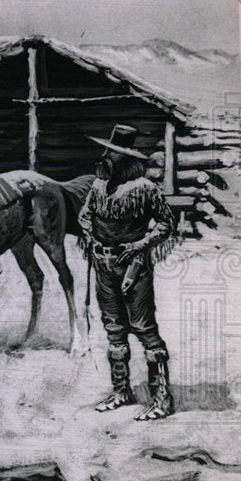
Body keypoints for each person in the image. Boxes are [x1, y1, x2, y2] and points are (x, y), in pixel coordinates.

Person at [78, 124, 178, 421]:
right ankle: (122, 390)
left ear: (127, 159)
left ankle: (162, 397)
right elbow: (85, 215)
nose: (105, 156)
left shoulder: (146, 189)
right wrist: (91, 237)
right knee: (114, 328)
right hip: (103, 264)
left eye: (112, 153)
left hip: (133, 267)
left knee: (144, 328)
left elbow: (165, 225)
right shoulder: (98, 187)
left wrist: (140, 245)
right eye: (107, 151)